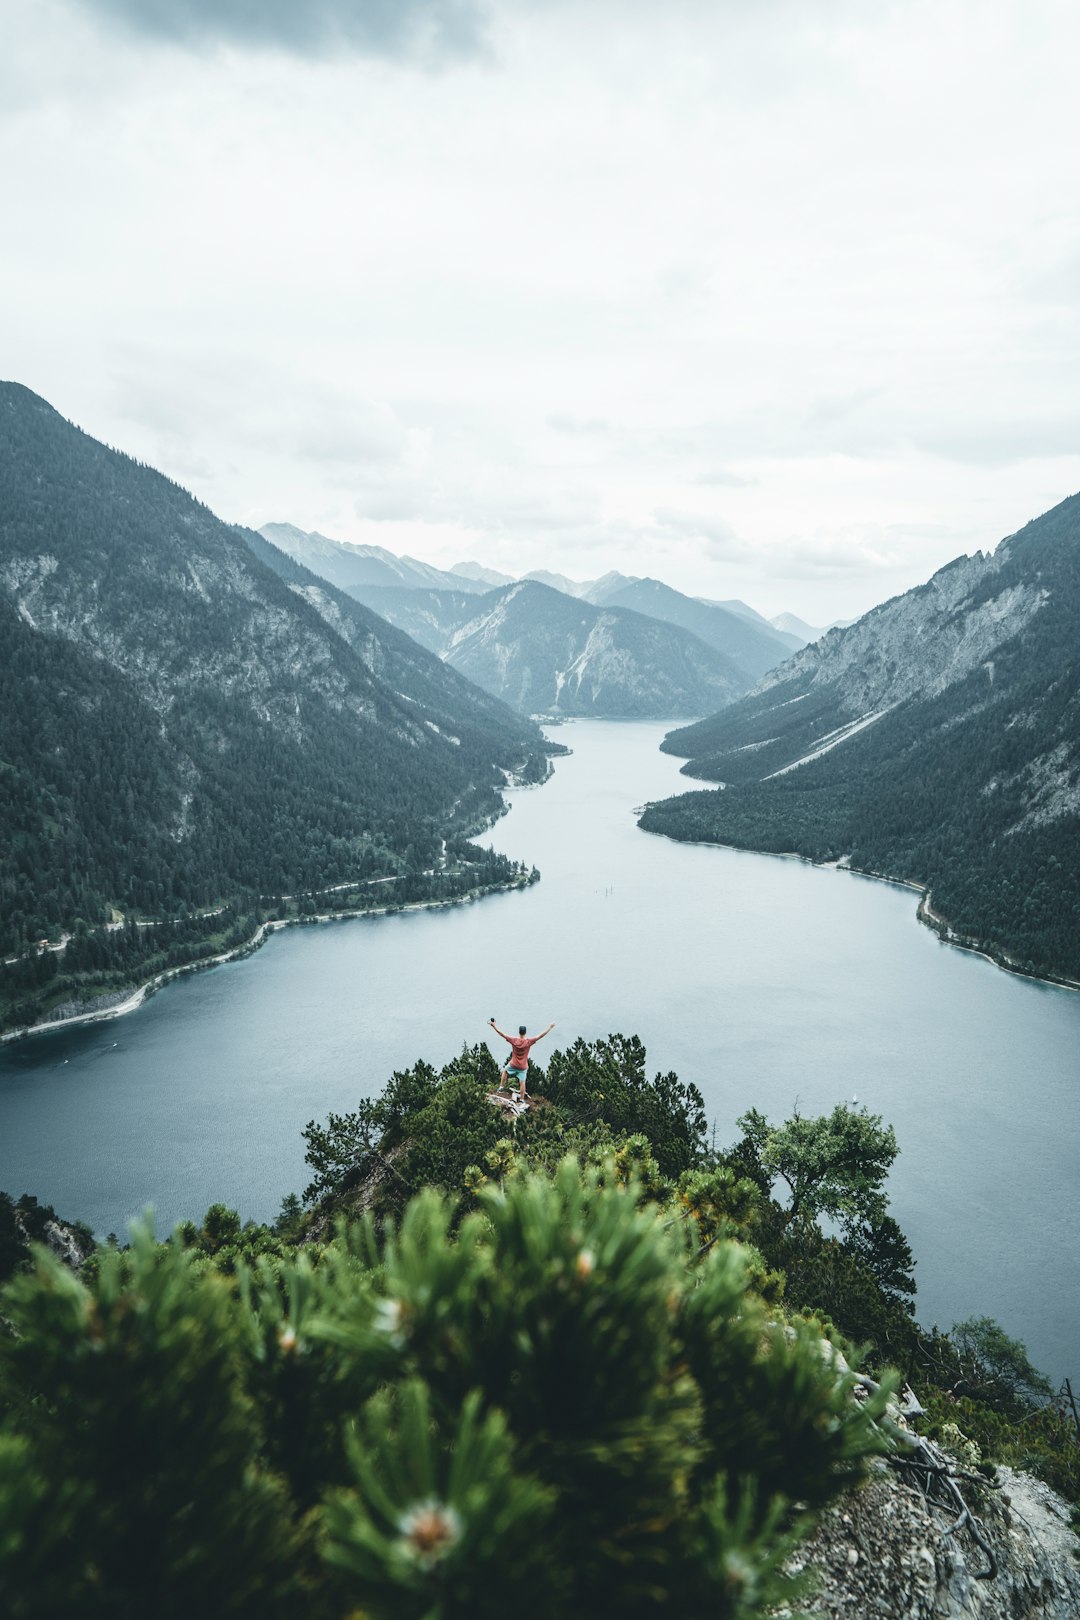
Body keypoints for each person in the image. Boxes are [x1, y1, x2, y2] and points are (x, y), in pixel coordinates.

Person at [488, 1016, 555, 1099]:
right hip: (523, 1066)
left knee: (505, 1071)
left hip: (513, 1064)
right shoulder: (528, 1042)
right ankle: (522, 1099)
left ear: (519, 1032)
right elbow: (540, 1036)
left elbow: (502, 1034)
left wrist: (494, 1026)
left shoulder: (514, 1040)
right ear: (525, 1032)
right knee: (522, 1082)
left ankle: (501, 1087)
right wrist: (550, 1027)